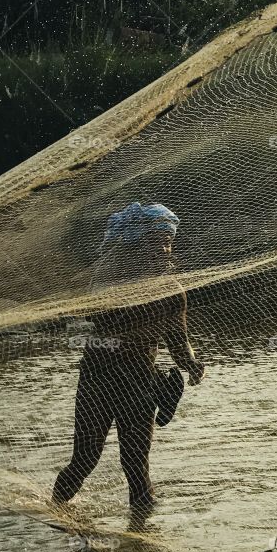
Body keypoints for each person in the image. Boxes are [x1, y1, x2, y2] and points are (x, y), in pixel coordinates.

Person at [53, 202, 205, 522]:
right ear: (133, 246)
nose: (163, 248)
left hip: (139, 380)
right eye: (154, 242)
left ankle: (142, 535)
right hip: (99, 378)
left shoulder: (172, 291)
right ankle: (55, 516)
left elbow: (178, 341)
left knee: (136, 465)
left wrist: (191, 364)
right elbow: (96, 317)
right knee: (85, 459)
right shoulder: (109, 282)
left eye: (167, 241)